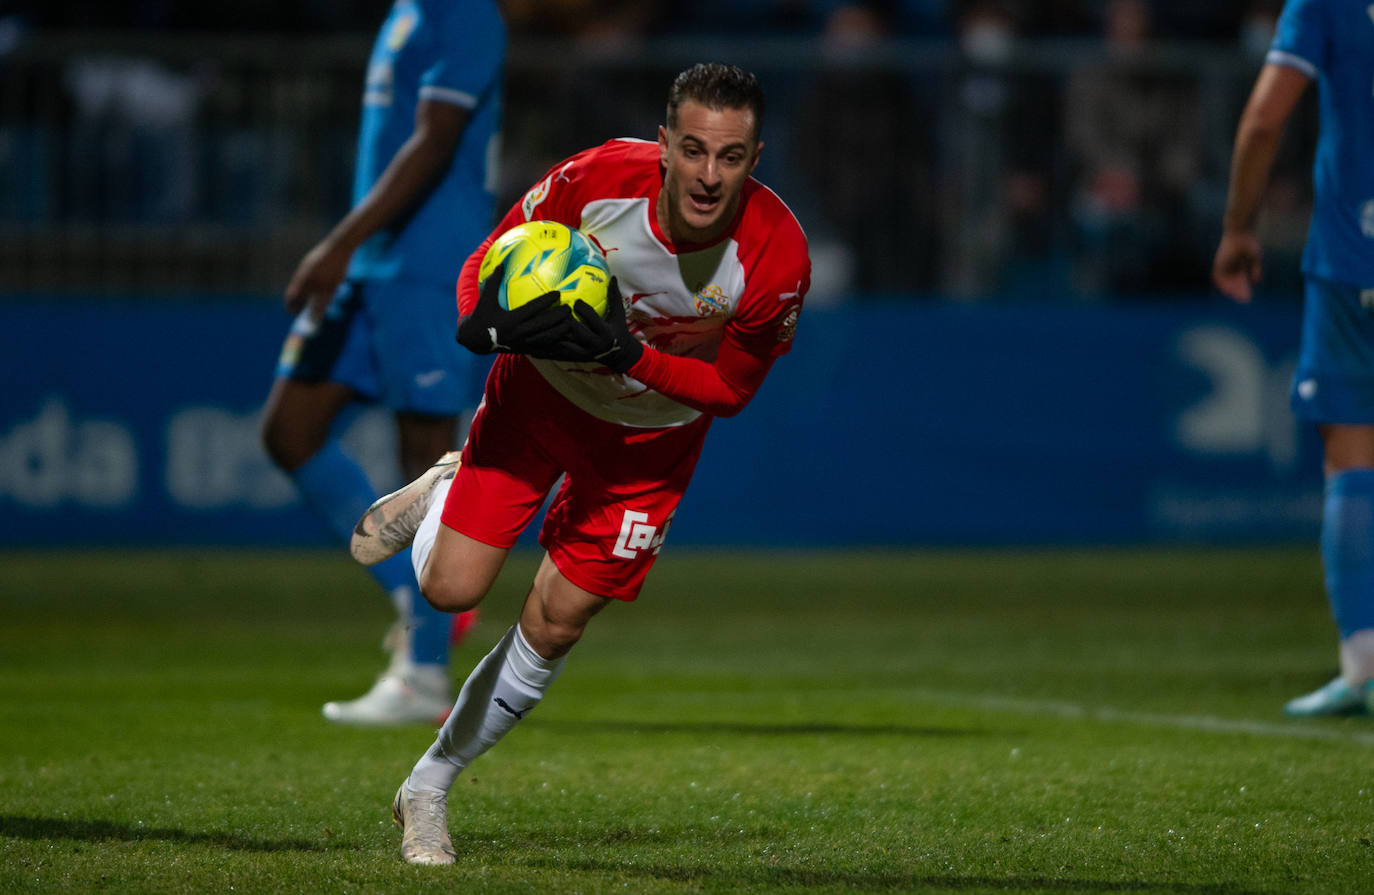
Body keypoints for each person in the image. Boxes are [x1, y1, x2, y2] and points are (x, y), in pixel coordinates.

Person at [349, 62, 810, 865]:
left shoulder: (777, 257)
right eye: (693, 149)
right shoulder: (595, 179)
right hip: (541, 401)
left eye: (729, 157)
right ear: (664, 143)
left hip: (650, 447)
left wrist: (629, 352)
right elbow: (487, 262)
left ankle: (428, 786)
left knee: (557, 621)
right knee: (449, 588)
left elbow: (731, 389)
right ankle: (450, 482)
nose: (708, 175)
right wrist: (475, 321)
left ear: (755, 157)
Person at [260, 0, 502, 725]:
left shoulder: (467, 12)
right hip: (375, 262)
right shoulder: (408, 9)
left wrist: (337, 241)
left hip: (426, 261)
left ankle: (424, 674)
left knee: (422, 461)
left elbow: (435, 141)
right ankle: (415, 595)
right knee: (289, 430)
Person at [1212, 0, 1374, 717]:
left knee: (1352, 455)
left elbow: (1265, 117)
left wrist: (1239, 227)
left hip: (1352, 259)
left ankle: (1364, 663)